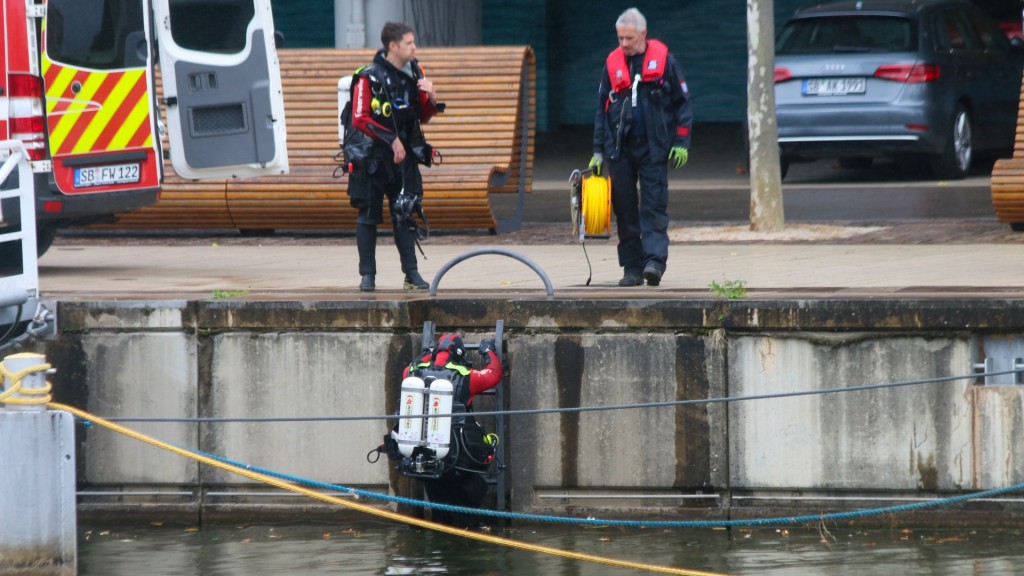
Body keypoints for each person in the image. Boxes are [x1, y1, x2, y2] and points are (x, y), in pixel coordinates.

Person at [590, 7, 693, 287]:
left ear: (643, 34)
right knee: (624, 209)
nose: (624, 43)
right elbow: (602, 109)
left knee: (653, 206)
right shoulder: (611, 65)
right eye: (621, 38)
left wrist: (681, 142)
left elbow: (683, 104)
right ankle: (632, 268)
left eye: (630, 38)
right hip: (619, 148)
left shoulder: (665, 62)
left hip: (653, 147)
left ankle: (654, 263)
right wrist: (598, 150)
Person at [349, 22, 444, 292]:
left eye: (414, 43)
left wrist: (432, 97)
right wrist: (391, 140)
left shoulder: (415, 71)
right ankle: (368, 276)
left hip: (404, 159)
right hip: (372, 158)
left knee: (404, 212)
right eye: (409, 43)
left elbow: (422, 115)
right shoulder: (369, 76)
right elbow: (359, 119)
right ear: (393, 46)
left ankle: (411, 274)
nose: (414, 47)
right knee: (368, 215)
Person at [400, 333, 503, 527]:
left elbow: (409, 367)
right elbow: (494, 374)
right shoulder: (466, 377)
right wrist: (488, 350)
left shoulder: (412, 373)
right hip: (457, 461)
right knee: (468, 504)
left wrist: (427, 354)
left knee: (440, 514)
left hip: (422, 459)